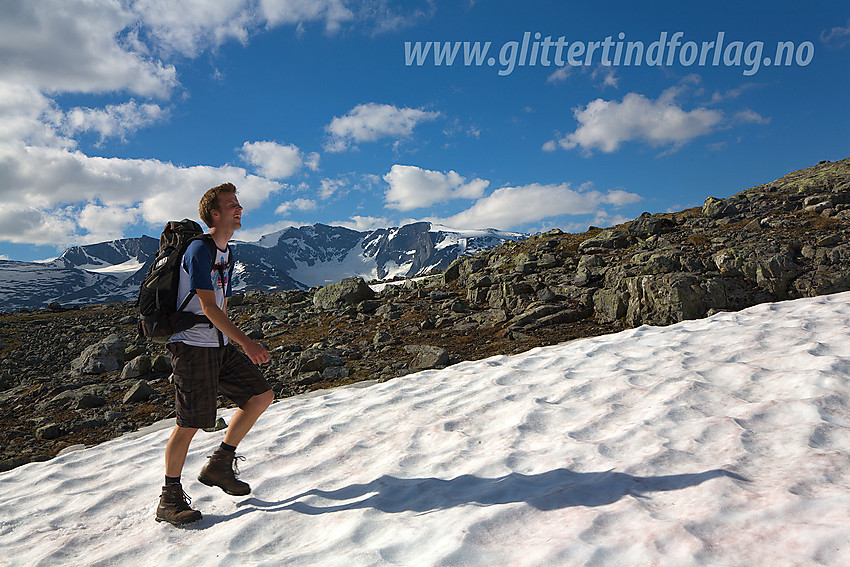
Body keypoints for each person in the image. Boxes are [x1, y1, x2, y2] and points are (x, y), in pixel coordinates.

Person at [155, 182, 274, 526]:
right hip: (192, 347)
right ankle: (169, 498)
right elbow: (208, 307)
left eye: (238, 204)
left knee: (260, 395)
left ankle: (220, 463)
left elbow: (219, 303)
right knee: (190, 422)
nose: (239, 209)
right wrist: (246, 343)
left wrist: (230, 341)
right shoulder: (199, 250)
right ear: (214, 214)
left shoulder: (226, 250)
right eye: (231, 205)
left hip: (216, 345)